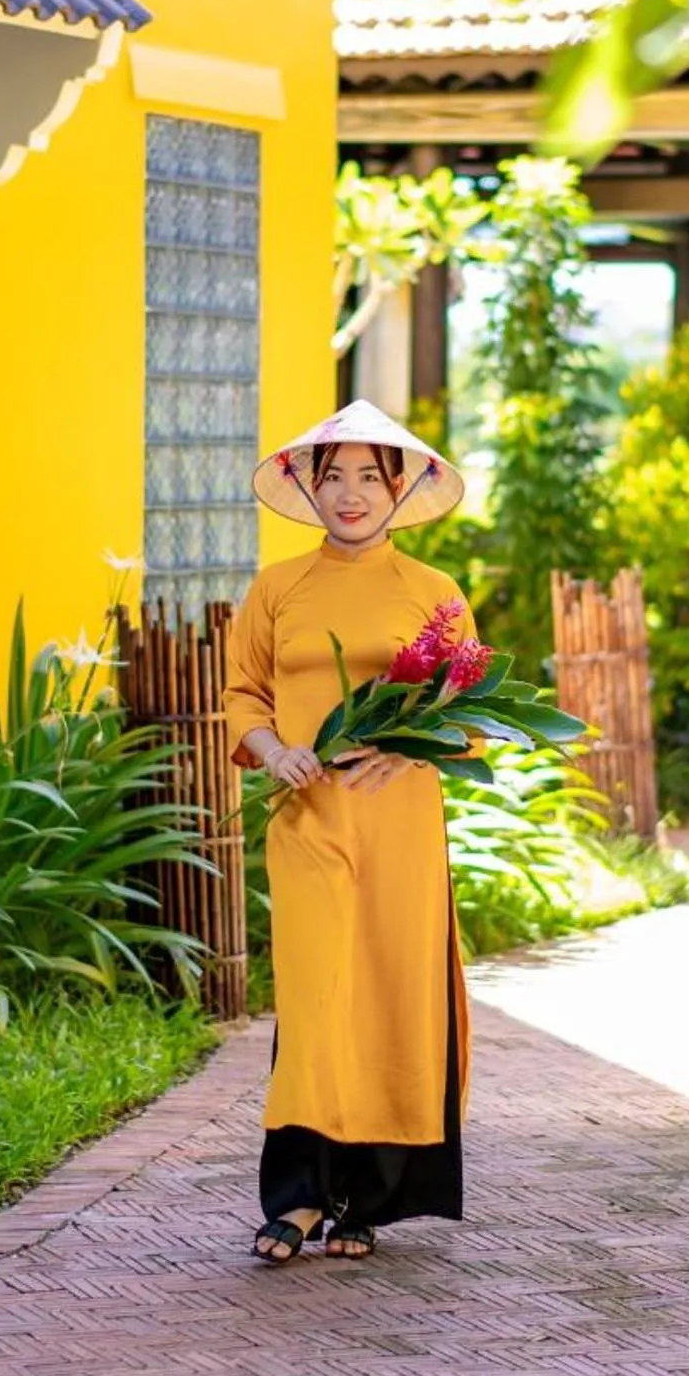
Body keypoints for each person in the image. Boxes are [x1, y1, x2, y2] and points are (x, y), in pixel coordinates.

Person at [224, 401, 474, 1266]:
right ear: (309, 486)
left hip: (400, 827)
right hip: (308, 821)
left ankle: (363, 1200)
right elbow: (243, 695)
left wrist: (406, 755)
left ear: (399, 489)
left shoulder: (435, 593)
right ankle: (296, 1196)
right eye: (335, 477)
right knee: (317, 995)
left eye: (371, 476)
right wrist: (274, 750)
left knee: (387, 995)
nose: (353, 493)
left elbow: (463, 711)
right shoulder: (278, 587)